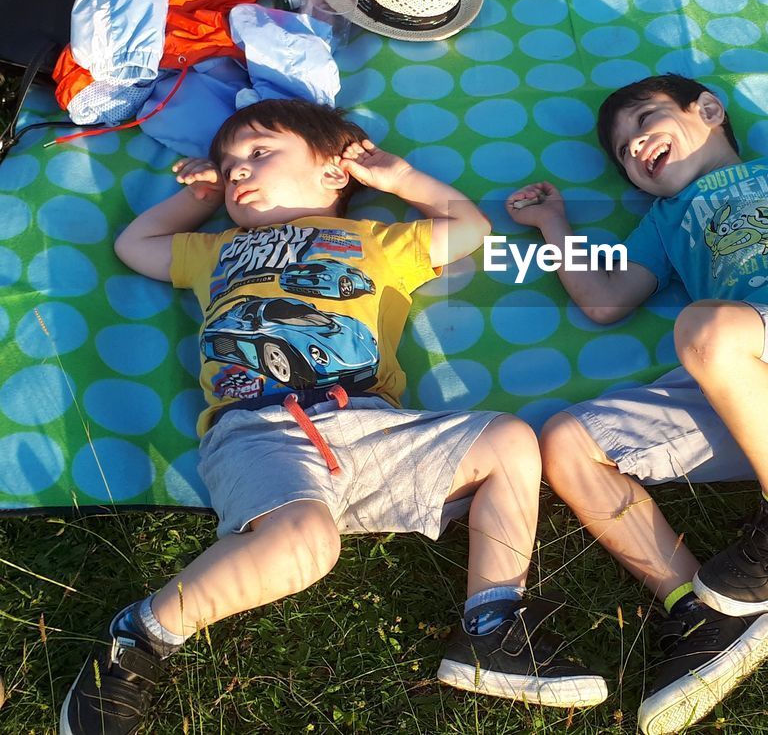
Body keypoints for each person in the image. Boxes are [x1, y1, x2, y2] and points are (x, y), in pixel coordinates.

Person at [61, 100, 607, 735]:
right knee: (303, 546)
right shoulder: (217, 249)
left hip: (374, 425)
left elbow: (468, 227)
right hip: (261, 427)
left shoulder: (375, 240)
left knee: (509, 439)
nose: (238, 172)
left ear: (334, 172)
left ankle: (492, 626)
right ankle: (139, 638)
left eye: (258, 154)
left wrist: (399, 180)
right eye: (227, 165)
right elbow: (137, 245)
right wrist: (199, 197)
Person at [506, 73, 768, 734]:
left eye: (646, 119)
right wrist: (552, 223)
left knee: (706, 328)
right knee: (565, 441)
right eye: (623, 152)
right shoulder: (666, 221)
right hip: (749, 404)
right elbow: (602, 301)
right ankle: (699, 618)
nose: (635, 146)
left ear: (709, 110)